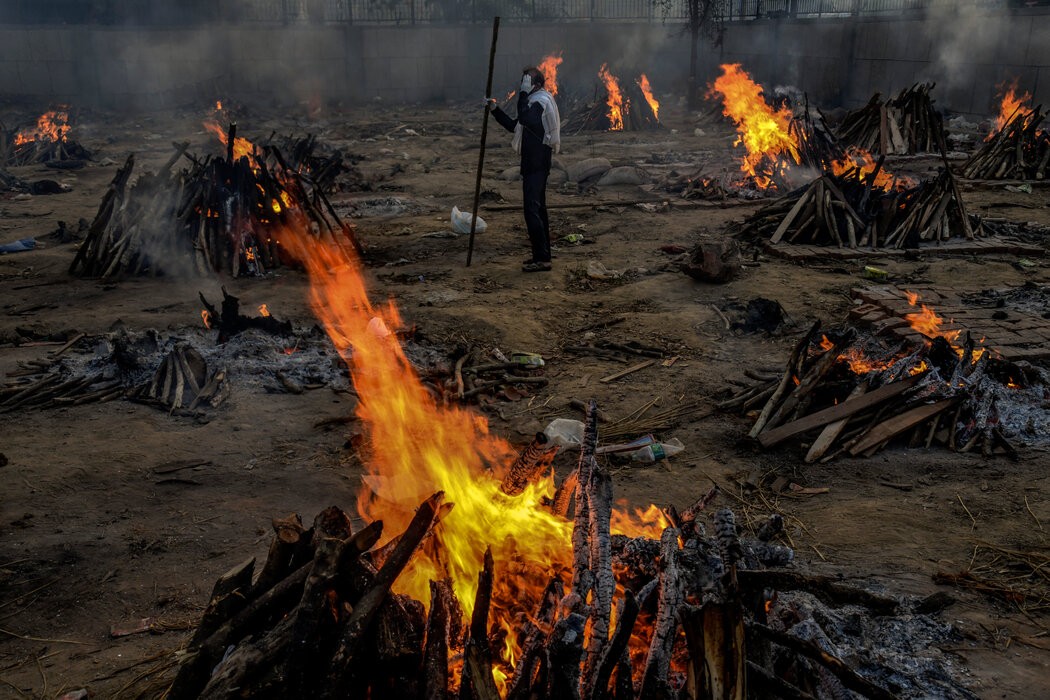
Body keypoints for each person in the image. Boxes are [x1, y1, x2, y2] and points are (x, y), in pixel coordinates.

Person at [487, 67, 561, 272]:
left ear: (535, 85)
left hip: (538, 164)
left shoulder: (540, 102)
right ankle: (542, 255)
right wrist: (495, 110)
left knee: (532, 210)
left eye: (526, 83)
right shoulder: (532, 102)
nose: (522, 86)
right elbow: (515, 125)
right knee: (538, 209)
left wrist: (522, 94)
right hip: (532, 163)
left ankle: (543, 259)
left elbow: (527, 119)